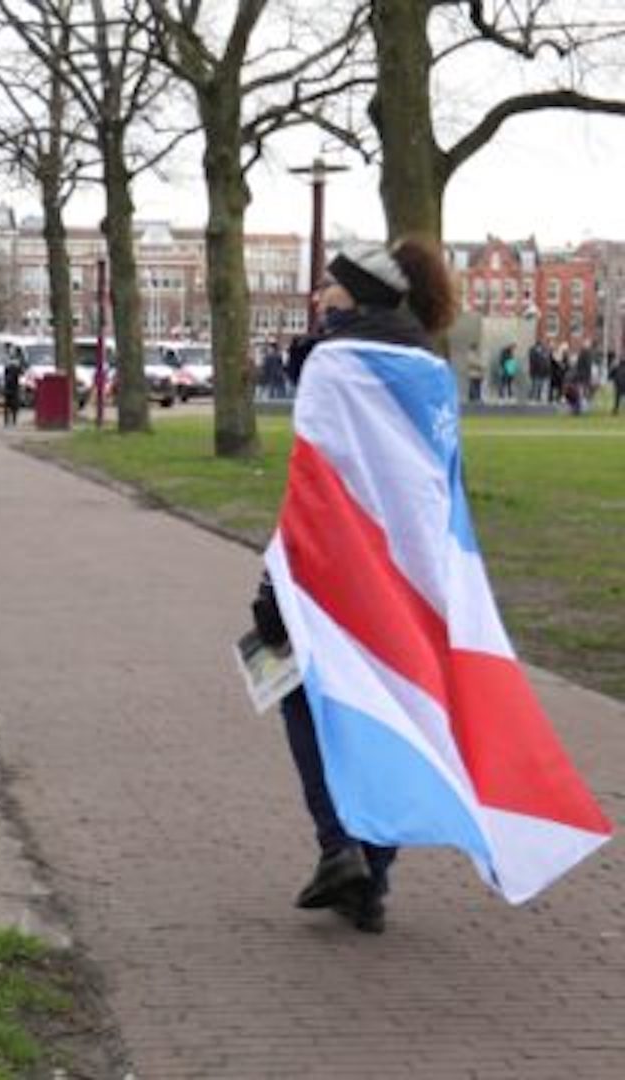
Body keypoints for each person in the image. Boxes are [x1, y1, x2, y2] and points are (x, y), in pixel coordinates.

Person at [252, 236, 459, 935]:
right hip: (411, 570)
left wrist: (274, 582)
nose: (319, 297)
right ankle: (371, 875)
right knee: (392, 705)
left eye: (330, 288)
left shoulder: (335, 363)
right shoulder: (430, 369)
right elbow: (436, 482)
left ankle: (340, 846)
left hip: (332, 567)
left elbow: (314, 480)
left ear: (360, 296)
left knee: (295, 689)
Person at [2, 348, 24, 427]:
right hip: (14, 387)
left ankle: (6, 421)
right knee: (14, 405)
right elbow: (21, 373)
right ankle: (14, 421)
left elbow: (4, 374)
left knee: (7, 405)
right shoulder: (17, 366)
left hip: (7, 387)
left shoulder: (7, 366)